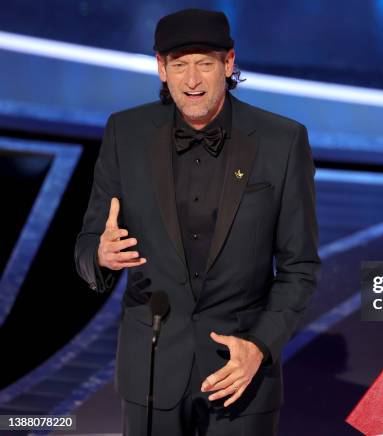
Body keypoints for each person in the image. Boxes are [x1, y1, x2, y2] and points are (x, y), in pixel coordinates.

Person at [74, 9, 320, 436]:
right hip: (150, 370)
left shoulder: (282, 140)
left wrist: (260, 346)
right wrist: (99, 254)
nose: (192, 80)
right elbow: (88, 240)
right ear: (161, 68)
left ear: (228, 64)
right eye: (179, 65)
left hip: (239, 374)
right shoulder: (125, 132)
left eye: (205, 64)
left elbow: (300, 266)